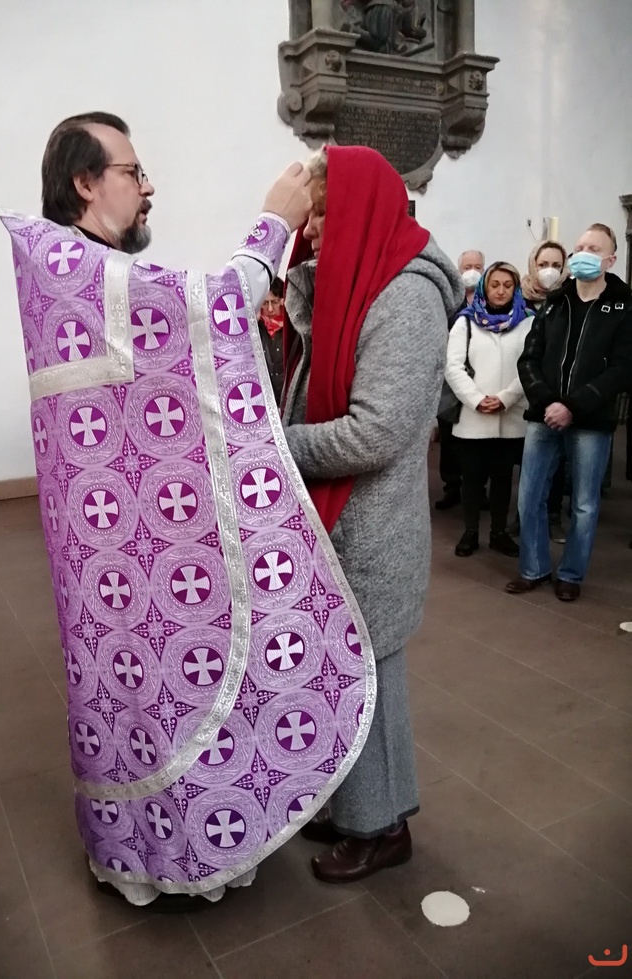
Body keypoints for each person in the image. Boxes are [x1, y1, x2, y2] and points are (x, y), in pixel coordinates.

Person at [1, 113, 379, 910]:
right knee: (152, 692)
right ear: (85, 182)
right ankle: (175, 851)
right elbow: (213, 308)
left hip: (129, 542)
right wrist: (273, 222)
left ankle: (155, 848)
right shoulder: (76, 267)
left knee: (147, 692)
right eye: (133, 172)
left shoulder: (73, 273)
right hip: (128, 547)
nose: (149, 188)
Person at [281, 145, 464, 883]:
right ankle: (350, 803)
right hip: (337, 520)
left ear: (360, 211)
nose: (311, 229)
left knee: (372, 680)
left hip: (371, 528)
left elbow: (376, 432)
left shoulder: (406, 296)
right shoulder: (357, 279)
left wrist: (273, 445)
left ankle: (382, 827)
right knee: (339, 675)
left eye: (323, 214)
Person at [506, 223, 632, 602]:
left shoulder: (623, 306)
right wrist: (548, 402)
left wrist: (573, 406)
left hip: (590, 420)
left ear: (610, 259)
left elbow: (622, 369)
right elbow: (529, 358)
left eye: (594, 248)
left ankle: (571, 574)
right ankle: (533, 568)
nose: (583, 254)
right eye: (580, 247)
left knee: (584, 504)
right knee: (529, 497)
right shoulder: (555, 303)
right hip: (544, 415)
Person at [445, 263, 533, 557]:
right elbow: (452, 367)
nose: (500, 291)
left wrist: (506, 397)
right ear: (485, 287)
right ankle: (470, 531)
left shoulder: (528, 322)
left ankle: (498, 533)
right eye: (495, 284)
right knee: (472, 479)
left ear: (515, 288)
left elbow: (531, 365)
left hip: (511, 414)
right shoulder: (466, 322)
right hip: (473, 416)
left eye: (508, 285)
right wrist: (476, 399)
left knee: (503, 479)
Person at [520, 240, 571, 543]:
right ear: (533, 265)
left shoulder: (569, 300)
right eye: (543, 265)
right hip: (523, 390)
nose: (549, 271)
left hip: (555, 397)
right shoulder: (520, 299)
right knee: (527, 468)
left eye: (555, 265)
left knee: (557, 463)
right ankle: (523, 518)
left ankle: (553, 515)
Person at [435, 249, 485, 510]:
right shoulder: (449, 301)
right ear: (458, 270)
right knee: (449, 438)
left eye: (478, 266)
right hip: (450, 382)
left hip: (482, 380)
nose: (472, 271)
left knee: (479, 440)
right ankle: (452, 487)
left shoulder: (491, 301)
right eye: (467, 267)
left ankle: (478, 490)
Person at [257, 276, 285, 402]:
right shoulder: (255, 328)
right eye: (264, 303)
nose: (269, 309)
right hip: (264, 400)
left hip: (287, 399)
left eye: (274, 302)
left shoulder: (293, 329)